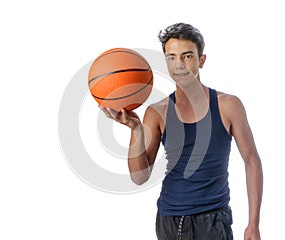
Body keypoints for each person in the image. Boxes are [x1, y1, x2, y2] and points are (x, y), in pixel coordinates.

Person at [99, 23, 263, 240]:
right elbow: (139, 177)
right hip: (169, 220)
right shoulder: (157, 112)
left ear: (201, 60)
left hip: (213, 221)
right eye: (172, 57)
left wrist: (253, 224)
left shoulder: (228, 106)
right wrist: (136, 131)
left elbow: (251, 160)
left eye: (187, 56)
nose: (179, 64)